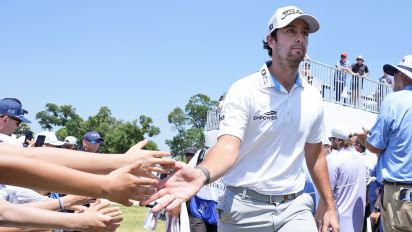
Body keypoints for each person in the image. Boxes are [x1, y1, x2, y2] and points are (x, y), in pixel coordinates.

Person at [143, 6, 339, 232]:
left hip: (294, 207)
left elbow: (315, 155)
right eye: (290, 31)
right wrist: (201, 173)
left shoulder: (313, 97)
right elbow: (227, 146)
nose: (299, 38)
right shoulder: (244, 90)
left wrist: (329, 205)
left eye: (304, 33)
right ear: (271, 40)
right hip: (243, 209)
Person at [358, 55, 412, 232]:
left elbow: (376, 145)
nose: (392, 78)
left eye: (395, 74)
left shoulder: (394, 100)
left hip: (401, 193)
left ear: (404, 76)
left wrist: (363, 139)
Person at [316, 125, 366, 232]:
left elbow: (326, 195)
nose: (330, 142)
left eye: (331, 139)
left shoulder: (333, 160)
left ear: (338, 141)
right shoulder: (362, 159)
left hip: (337, 224)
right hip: (357, 223)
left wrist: (317, 220)